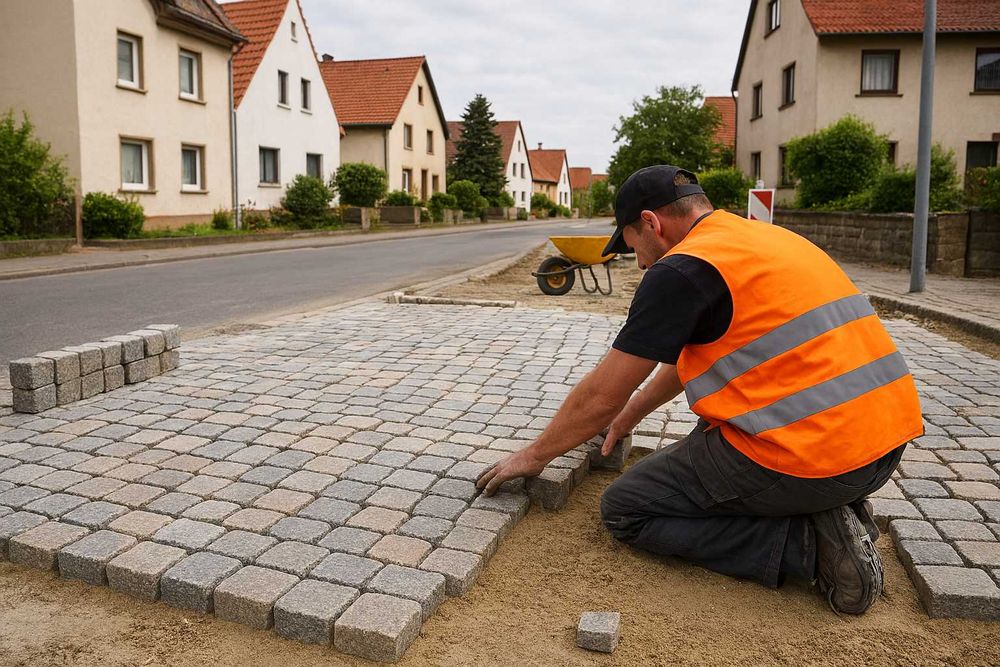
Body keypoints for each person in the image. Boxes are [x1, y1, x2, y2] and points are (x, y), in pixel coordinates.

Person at [476, 165, 923, 615]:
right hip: (884, 447)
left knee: (627, 508)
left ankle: (810, 547)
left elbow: (599, 397)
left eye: (633, 246)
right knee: (699, 446)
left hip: (815, 460)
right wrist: (630, 416)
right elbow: (680, 363)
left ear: (651, 223)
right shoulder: (765, 238)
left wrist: (532, 456)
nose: (640, 262)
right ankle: (825, 510)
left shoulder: (682, 270)